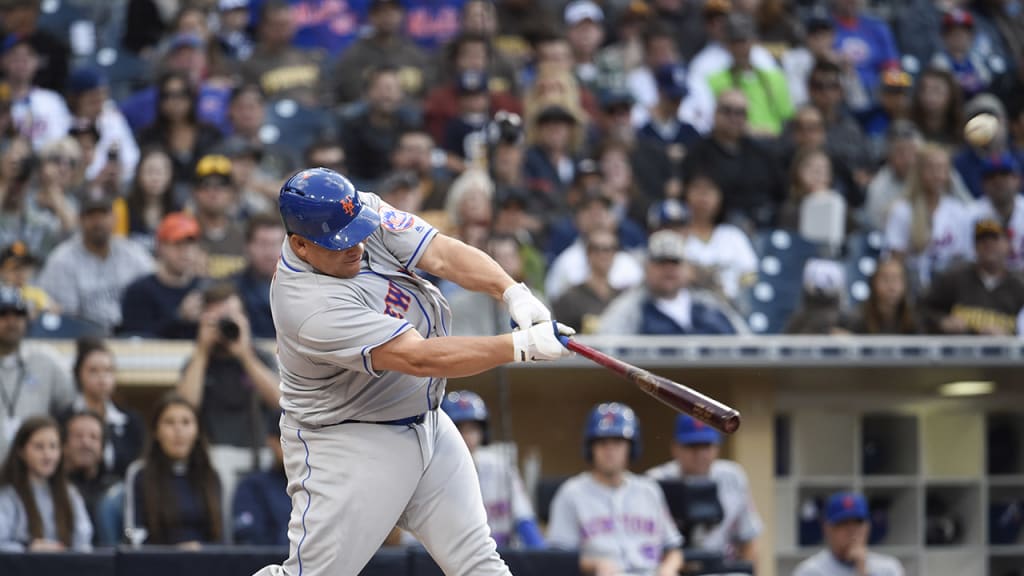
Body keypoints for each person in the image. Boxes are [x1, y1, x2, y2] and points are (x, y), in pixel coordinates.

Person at [252, 167, 573, 576]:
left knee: (479, 563)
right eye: (340, 242)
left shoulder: (354, 210)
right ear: (300, 245)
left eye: (357, 232)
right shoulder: (306, 306)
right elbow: (417, 358)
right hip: (349, 440)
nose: (355, 245)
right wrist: (518, 347)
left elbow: (440, 253)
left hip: (428, 424)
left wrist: (512, 292)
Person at [177, 283, 280, 516]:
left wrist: (244, 355)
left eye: (230, 317)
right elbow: (185, 407)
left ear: (244, 319)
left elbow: (281, 402)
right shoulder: (197, 362)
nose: (224, 326)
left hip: (261, 455)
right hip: (213, 456)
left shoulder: (259, 357)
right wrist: (202, 351)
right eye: (217, 319)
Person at [547, 402, 684, 576]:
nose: (610, 450)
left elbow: (673, 549)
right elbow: (559, 558)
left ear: (631, 447)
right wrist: (594, 565)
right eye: (602, 442)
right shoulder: (571, 492)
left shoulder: (649, 490)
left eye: (618, 442)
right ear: (591, 448)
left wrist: (668, 568)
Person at [647, 415, 763, 564]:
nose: (700, 454)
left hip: (721, 567)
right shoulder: (654, 482)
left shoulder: (732, 477)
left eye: (706, 446)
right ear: (675, 448)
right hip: (674, 566)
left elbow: (749, 540)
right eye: (692, 446)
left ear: (717, 447)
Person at [440, 390, 545, 549]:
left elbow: (524, 520)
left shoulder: (500, 467)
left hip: (502, 556)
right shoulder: (432, 474)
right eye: (458, 429)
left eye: (472, 429)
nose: (467, 436)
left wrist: (543, 559)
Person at [36, 193, 155, 333]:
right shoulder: (62, 260)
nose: (98, 222)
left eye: (104, 214)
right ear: (80, 220)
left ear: (115, 218)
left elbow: (154, 287)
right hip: (83, 337)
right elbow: (65, 316)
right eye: (91, 215)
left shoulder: (133, 252)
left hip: (132, 335)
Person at [598, 230, 749, 335]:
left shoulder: (708, 305)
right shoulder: (631, 308)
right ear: (646, 268)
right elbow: (606, 348)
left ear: (687, 268)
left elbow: (748, 344)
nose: (668, 269)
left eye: (675, 262)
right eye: (661, 262)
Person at [123, 393, 224, 546]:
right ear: (156, 432)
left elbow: (222, 539)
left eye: (186, 422)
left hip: (205, 563)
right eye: (169, 422)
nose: (178, 430)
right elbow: (134, 537)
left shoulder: (212, 474)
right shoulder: (139, 474)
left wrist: (202, 550)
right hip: (156, 565)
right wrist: (175, 553)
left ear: (197, 431)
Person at [884, 144, 973, 293]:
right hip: (910, 286)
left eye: (942, 169)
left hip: (947, 287)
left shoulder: (958, 211)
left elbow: (963, 260)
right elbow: (895, 261)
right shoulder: (902, 211)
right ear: (919, 172)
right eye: (931, 168)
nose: (937, 174)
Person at [0, 286, 75, 462]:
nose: (12, 322)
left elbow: (71, 408)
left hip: (34, 469)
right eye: (3, 315)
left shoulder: (47, 360)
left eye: (18, 315)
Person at [0, 416, 92, 551]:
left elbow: (83, 543)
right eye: (39, 447)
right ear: (21, 451)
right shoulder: (7, 495)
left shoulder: (70, 493)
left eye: (53, 447)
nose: (48, 455)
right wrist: (29, 548)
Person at [924, 219, 1024, 336]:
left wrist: (1008, 336)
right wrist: (942, 321)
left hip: (1006, 353)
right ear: (975, 247)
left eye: (994, 238)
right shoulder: (955, 278)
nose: (988, 244)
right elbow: (923, 309)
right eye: (982, 239)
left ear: (1008, 244)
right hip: (959, 351)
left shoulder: (1019, 286)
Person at [119, 212, 206, 339]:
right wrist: (178, 317)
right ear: (160, 247)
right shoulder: (140, 291)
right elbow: (135, 340)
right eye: (177, 244)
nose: (185, 252)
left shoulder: (204, 288)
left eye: (190, 244)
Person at [64, 338, 143, 477]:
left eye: (108, 371)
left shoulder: (131, 421)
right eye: (93, 371)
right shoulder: (63, 419)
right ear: (78, 374)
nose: (102, 378)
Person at [793, 491, 904, 576]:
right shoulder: (810, 571)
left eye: (858, 522)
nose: (852, 530)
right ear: (827, 528)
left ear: (868, 526)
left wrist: (862, 569)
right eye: (843, 523)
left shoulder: (888, 568)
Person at [2, 35, 71, 150]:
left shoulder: (52, 101)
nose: (21, 63)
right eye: (15, 57)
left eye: (27, 57)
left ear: (37, 61)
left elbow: (60, 143)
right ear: (3, 60)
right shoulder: (2, 96)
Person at [232, 412, 289, 546]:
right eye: (286, 440)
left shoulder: (317, 488)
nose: (294, 447)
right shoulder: (252, 487)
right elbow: (249, 543)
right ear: (271, 441)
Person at [61, 410, 117, 545]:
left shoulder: (116, 490)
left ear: (103, 447)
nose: (86, 443)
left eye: (93, 437)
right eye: (78, 436)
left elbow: (129, 530)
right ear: (64, 445)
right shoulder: (53, 489)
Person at [552, 229, 623, 335]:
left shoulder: (622, 297)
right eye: (597, 249)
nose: (604, 255)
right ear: (588, 253)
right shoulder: (570, 298)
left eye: (609, 249)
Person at [191, 154, 247, 278]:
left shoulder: (245, 236)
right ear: (194, 192)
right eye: (205, 184)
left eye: (222, 185)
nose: (213, 191)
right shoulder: (183, 235)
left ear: (233, 193)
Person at [232, 214, 285, 339]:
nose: (269, 252)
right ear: (247, 246)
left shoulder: (303, 288)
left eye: (276, 244)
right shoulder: (232, 288)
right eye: (263, 243)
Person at [970, 152, 1024, 272]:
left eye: (1004, 174)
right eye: (991, 176)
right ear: (983, 184)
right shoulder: (969, 215)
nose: (998, 181)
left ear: (1018, 179)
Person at [841, 257, 923, 335]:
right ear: (873, 282)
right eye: (885, 279)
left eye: (896, 279)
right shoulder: (856, 318)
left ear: (906, 284)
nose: (891, 286)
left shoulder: (915, 320)